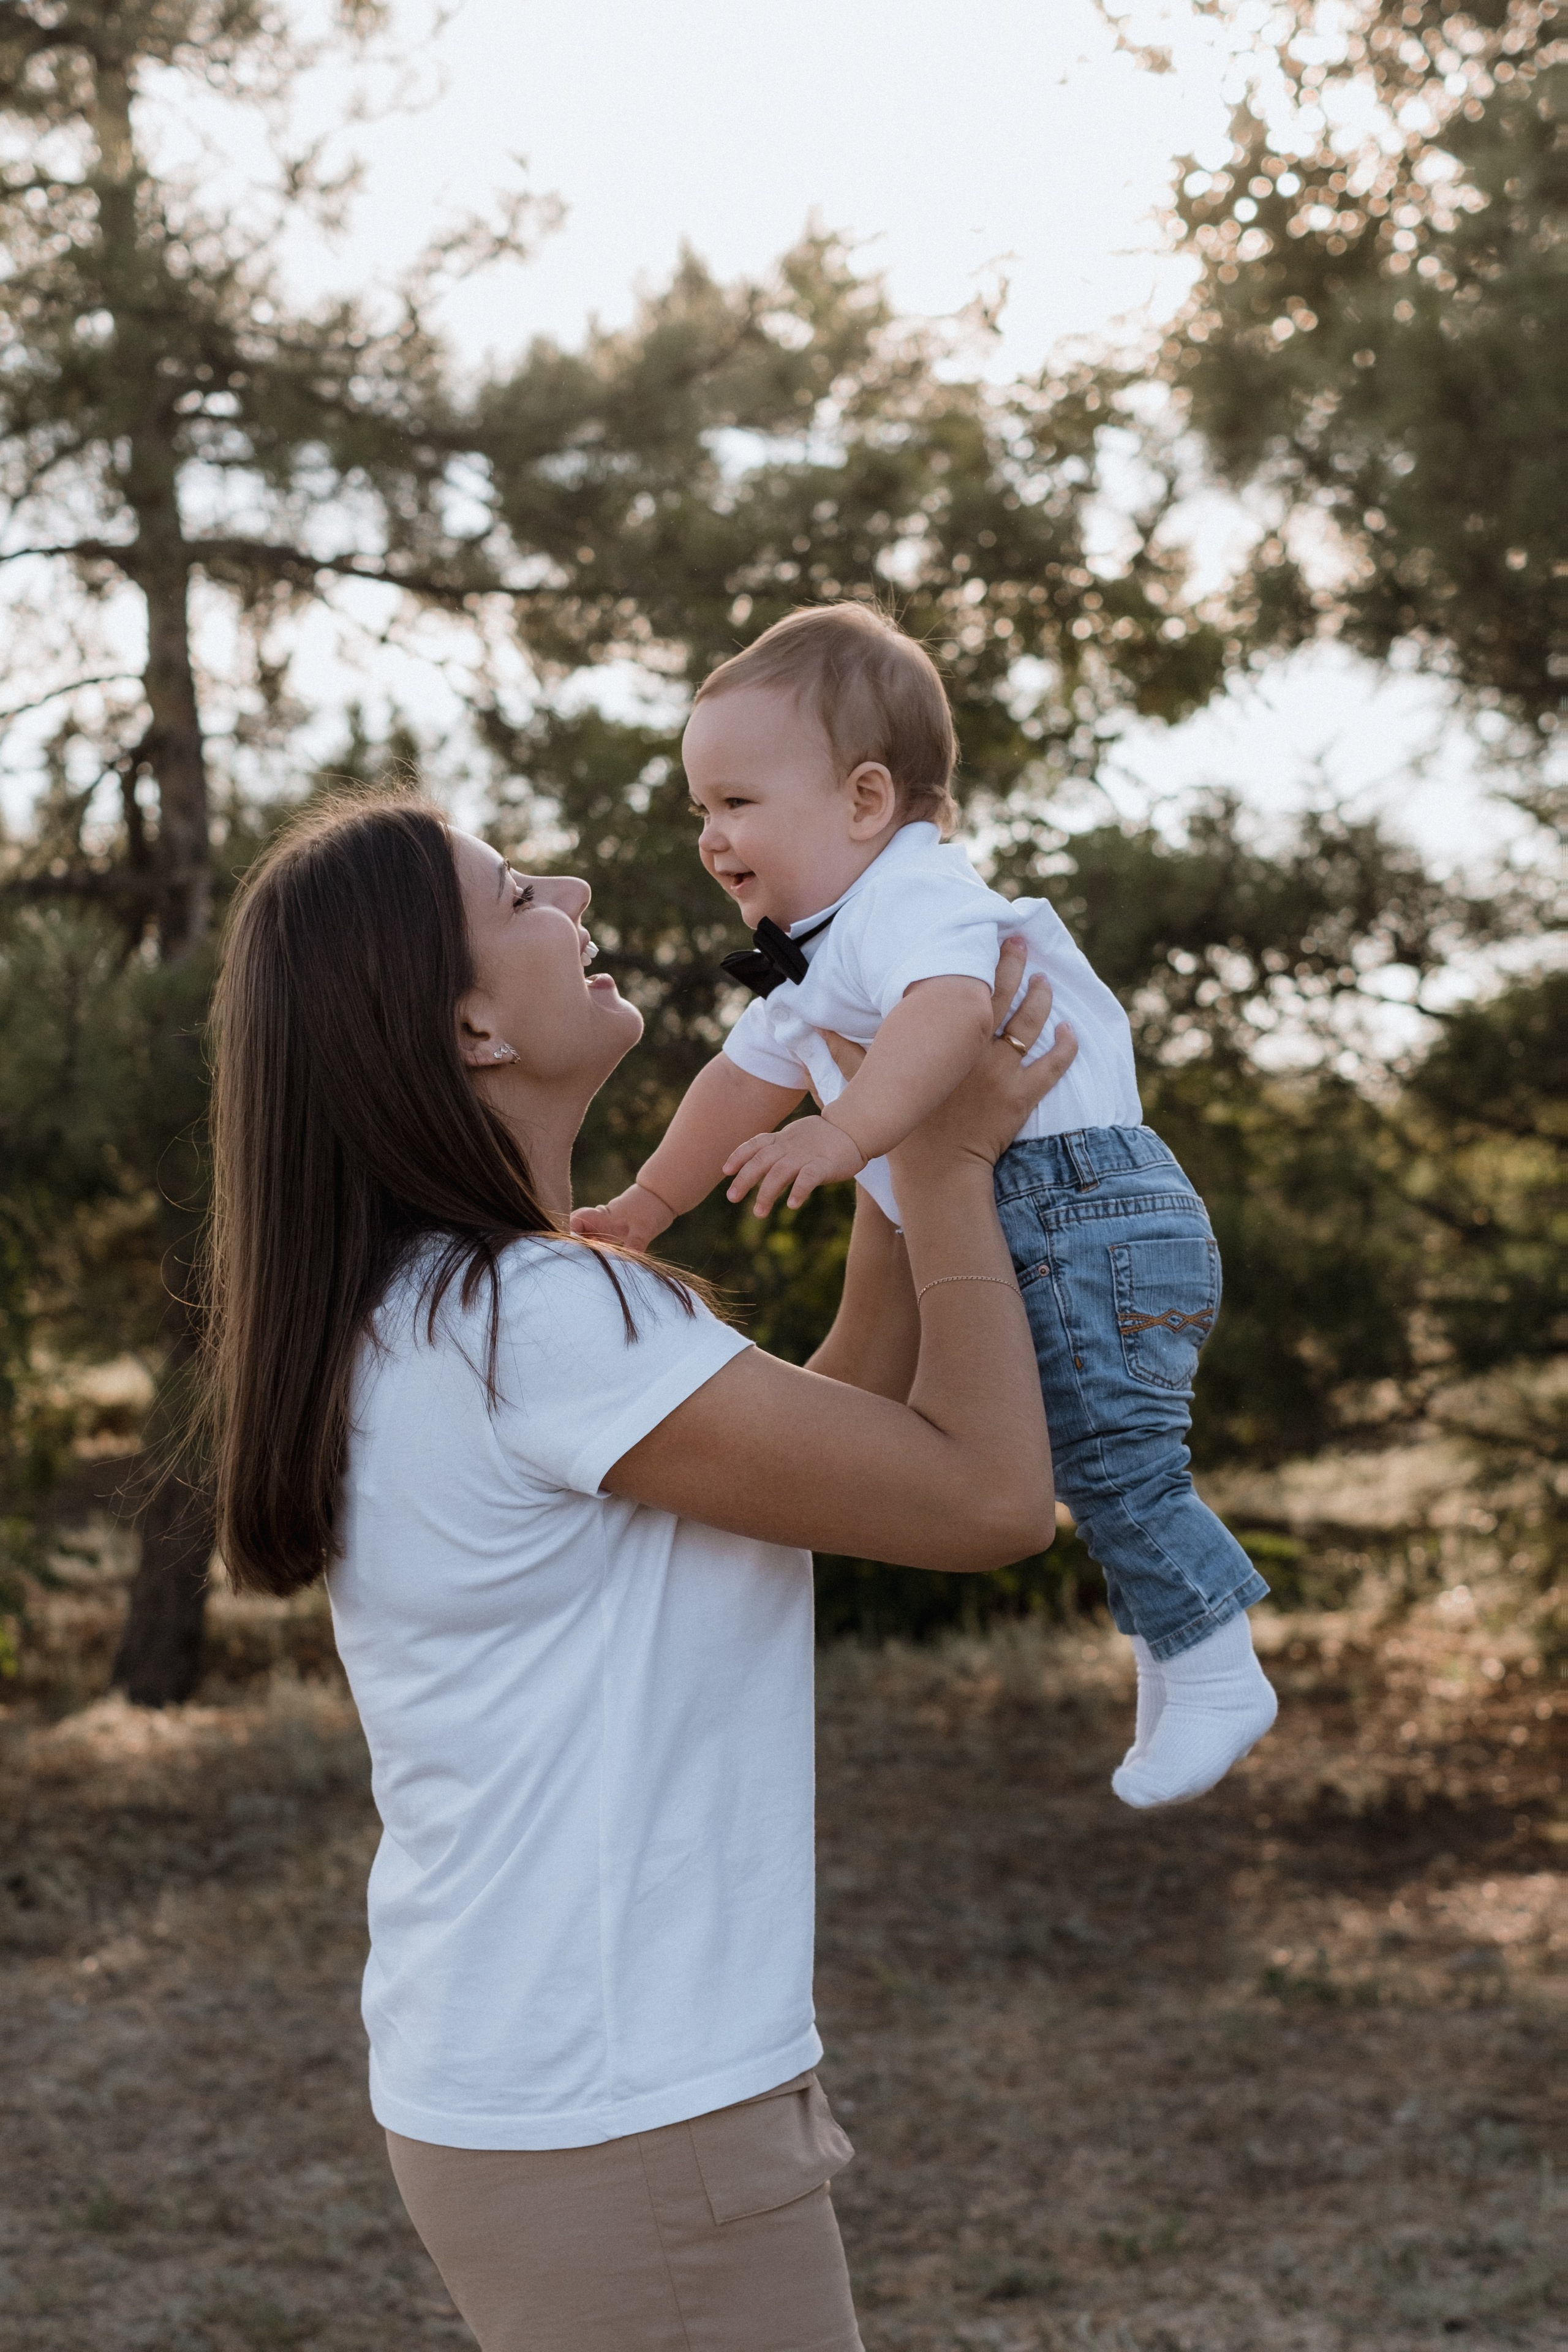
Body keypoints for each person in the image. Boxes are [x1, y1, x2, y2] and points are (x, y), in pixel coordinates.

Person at [201, 791, 1076, 2352]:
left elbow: (834, 1445)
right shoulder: (536, 1319)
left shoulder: (445, 1304)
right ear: (465, 1025)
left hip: (549, 2084)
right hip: (623, 2114)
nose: (579, 883)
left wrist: (879, 1138)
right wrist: (946, 1167)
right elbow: (992, 1500)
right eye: (519, 894)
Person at [575, 604, 1278, 1811]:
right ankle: (1180, 1657)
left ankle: (1217, 1669)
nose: (710, 836)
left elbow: (951, 1010)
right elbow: (738, 1079)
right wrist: (648, 1201)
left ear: (863, 801)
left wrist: (850, 1133)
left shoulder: (913, 900)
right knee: (1088, 1453)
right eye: (700, 809)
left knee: (1113, 1459)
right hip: (1046, 1216)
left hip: (1083, 1209)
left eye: (736, 803)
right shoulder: (824, 944)